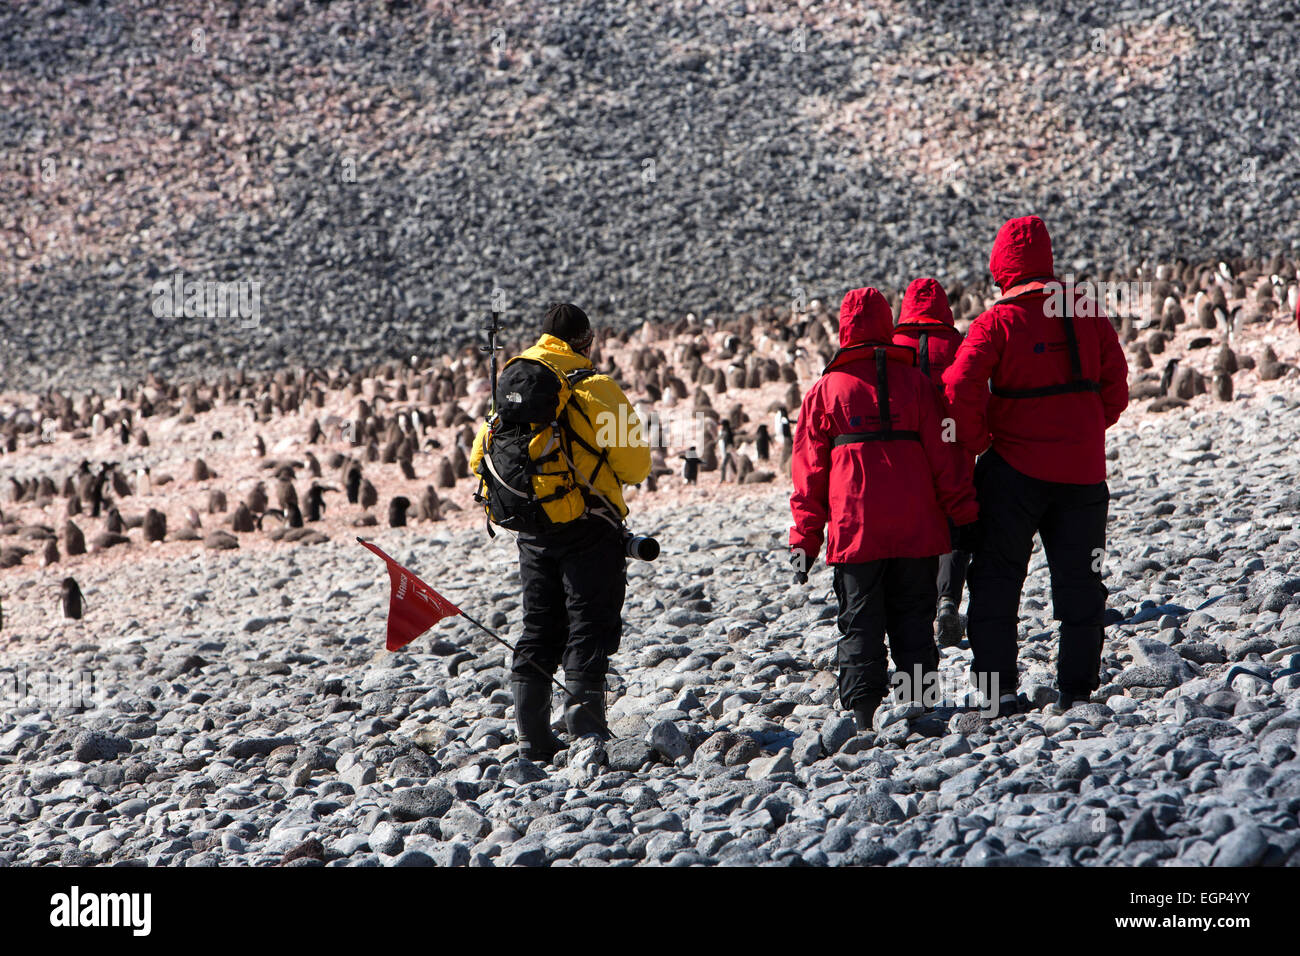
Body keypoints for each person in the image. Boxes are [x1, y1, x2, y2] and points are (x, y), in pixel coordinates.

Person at [944, 216, 1129, 717]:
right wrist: (1086, 428)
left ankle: (997, 693)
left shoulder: (996, 321)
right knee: (1082, 581)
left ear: (1002, 264)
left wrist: (980, 438)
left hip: (1014, 472)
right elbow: (1118, 383)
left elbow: (958, 386)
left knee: (997, 580)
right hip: (1084, 474)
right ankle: (1078, 690)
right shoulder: (1086, 311)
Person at [790, 287, 979, 732]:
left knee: (860, 623)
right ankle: (921, 706)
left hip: (856, 532)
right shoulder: (915, 384)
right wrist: (964, 515)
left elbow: (809, 473)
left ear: (844, 329)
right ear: (886, 324)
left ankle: (862, 714)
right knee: (915, 616)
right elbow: (944, 456)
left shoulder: (825, 390)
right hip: (917, 529)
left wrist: (804, 541)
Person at [470, 303, 651, 761]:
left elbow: (479, 457)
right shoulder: (594, 388)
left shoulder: (514, 384)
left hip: (531, 528)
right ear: (586, 342)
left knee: (539, 625)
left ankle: (531, 734)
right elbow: (635, 465)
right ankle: (586, 730)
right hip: (590, 524)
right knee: (588, 622)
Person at [892, 277, 973, 648]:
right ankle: (947, 600)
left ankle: (917, 610)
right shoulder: (957, 343)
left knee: (913, 525)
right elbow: (971, 392)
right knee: (954, 524)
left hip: (908, 452)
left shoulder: (891, 348)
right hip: (950, 440)